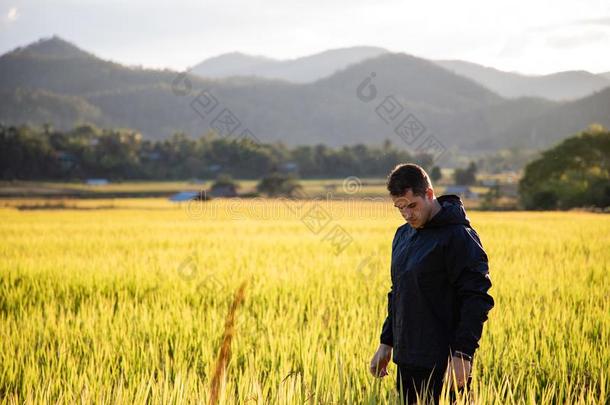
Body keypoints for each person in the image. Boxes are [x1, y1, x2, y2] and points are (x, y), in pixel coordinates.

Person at [369, 163, 495, 405]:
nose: (407, 214)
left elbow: (476, 298)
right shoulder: (402, 236)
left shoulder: (459, 236)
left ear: (429, 194)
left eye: (412, 205)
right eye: (400, 208)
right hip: (407, 360)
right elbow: (399, 292)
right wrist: (386, 342)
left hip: (445, 364)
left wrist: (463, 354)